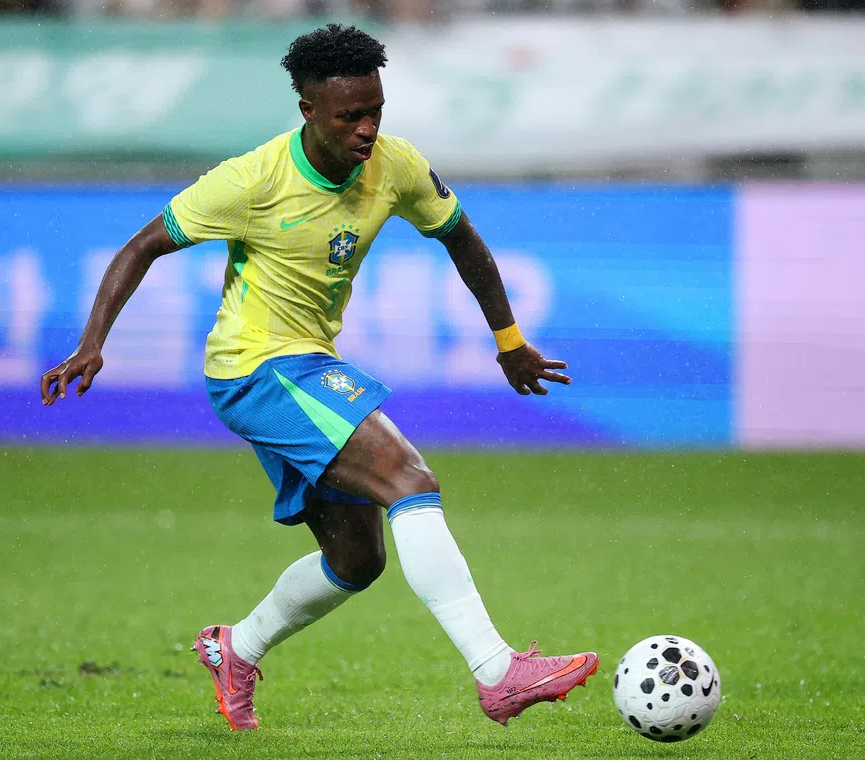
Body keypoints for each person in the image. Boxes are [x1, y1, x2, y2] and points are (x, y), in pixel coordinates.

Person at [40, 23, 598, 731]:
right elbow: (144, 244)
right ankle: (497, 672)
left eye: (377, 111)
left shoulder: (395, 166)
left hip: (309, 363)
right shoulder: (252, 180)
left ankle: (236, 647)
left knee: (357, 559)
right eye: (350, 117)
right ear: (308, 109)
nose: (367, 129)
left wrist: (509, 339)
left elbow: (460, 235)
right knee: (410, 479)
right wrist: (93, 343)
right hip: (255, 368)